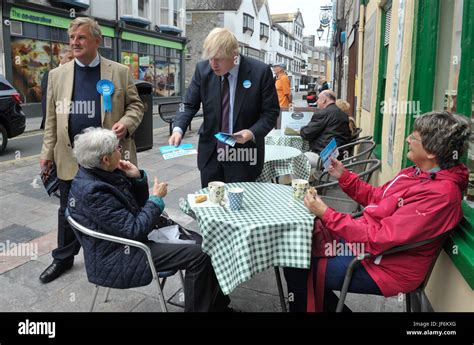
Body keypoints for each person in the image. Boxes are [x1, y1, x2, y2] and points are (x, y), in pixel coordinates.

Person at [284, 111, 471, 312]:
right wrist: (344, 176)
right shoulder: (416, 173)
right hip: (367, 247)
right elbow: (377, 197)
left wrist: (326, 213)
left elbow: (379, 237)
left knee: (298, 266)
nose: (408, 139)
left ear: (432, 152)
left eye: (414, 137)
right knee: (296, 253)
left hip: (385, 267)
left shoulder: (440, 195)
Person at [68, 127, 230, 312]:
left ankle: (217, 306)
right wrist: (156, 200)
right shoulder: (93, 191)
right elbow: (134, 230)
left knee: (206, 244)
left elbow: (136, 207)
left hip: (129, 241)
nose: (121, 150)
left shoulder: (102, 172)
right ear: (105, 159)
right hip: (120, 254)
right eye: (117, 148)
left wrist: (136, 178)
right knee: (201, 254)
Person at [39, 17, 144, 284]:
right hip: (71, 157)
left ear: (97, 40)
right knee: (68, 209)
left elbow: (136, 106)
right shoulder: (56, 75)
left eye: (81, 37)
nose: (74, 42)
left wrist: (126, 123)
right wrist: (46, 153)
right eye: (72, 38)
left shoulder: (119, 72)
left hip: (110, 159)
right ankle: (62, 258)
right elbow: (51, 120)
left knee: (117, 205)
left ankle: (125, 253)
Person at [168, 28, 279, 187]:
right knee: (211, 207)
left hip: (244, 156)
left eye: (219, 59)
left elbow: (271, 113)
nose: (213, 64)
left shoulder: (260, 72)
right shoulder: (202, 70)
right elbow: (188, 104)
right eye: (211, 58)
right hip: (211, 156)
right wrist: (178, 129)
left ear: (234, 55)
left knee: (240, 209)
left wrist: (251, 132)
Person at [300, 90, 351, 169]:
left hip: (325, 157)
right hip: (341, 155)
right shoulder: (342, 114)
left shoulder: (323, 113)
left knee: (296, 160)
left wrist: (301, 129)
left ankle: (298, 181)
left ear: (324, 99)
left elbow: (306, 133)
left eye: (318, 99)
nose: (317, 102)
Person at [40, 47, 74, 130]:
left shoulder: (77, 73)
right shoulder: (50, 75)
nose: (73, 61)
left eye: (73, 58)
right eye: (70, 58)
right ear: (60, 58)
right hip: (58, 121)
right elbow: (47, 101)